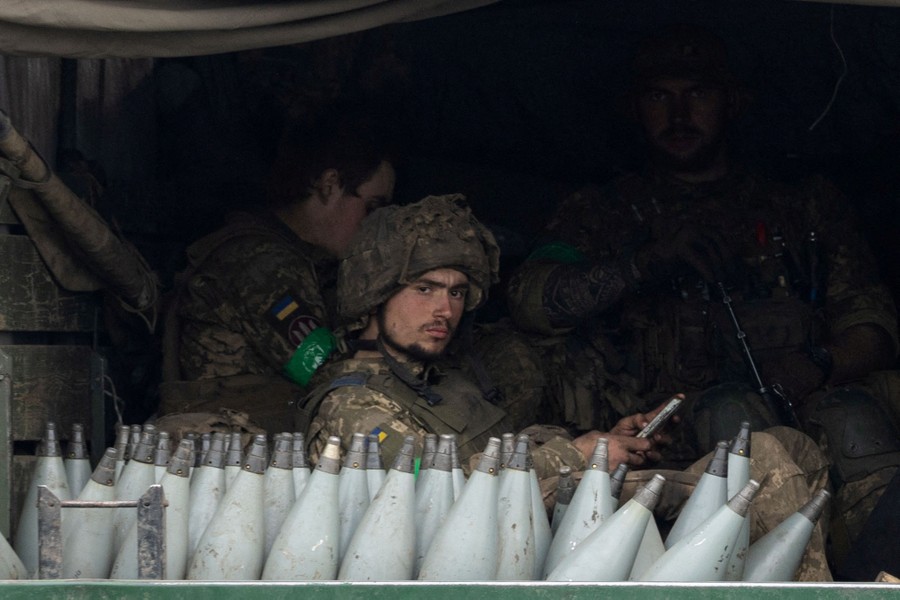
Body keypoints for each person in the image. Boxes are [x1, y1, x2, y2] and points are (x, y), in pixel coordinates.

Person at [506, 23, 900, 573]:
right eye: (659, 97)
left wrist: (815, 364)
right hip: (673, 433)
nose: (679, 114)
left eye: (698, 94)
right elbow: (531, 301)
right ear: (635, 108)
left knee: (855, 421)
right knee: (731, 418)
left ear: (733, 102)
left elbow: (874, 326)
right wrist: (643, 263)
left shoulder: (798, 206)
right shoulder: (605, 213)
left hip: (807, 401)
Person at [302, 193, 833, 580]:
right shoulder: (354, 404)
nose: (445, 310)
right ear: (374, 295)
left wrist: (604, 443)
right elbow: (432, 505)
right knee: (764, 462)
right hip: (513, 558)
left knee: (792, 445)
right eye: (424, 290)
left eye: (458, 293)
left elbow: (502, 454)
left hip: (551, 528)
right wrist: (578, 453)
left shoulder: (442, 380)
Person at [156, 110, 396, 435]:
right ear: (330, 185)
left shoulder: (291, 256)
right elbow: (326, 371)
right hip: (228, 450)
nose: (373, 225)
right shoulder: (263, 265)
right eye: (372, 206)